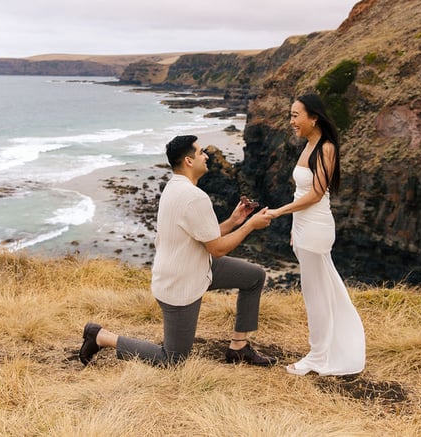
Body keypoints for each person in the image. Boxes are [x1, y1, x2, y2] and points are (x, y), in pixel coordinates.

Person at [78, 135, 277, 367]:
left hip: (199, 267)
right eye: (201, 152)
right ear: (189, 161)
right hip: (180, 282)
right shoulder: (194, 197)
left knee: (254, 276)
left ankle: (239, 347)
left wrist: (234, 221)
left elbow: (205, 235)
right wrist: (251, 225)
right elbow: (217, 248)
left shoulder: (174, 187)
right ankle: (100, 336)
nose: (206, 156)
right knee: (173, 359)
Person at [267, 93, 366, 376]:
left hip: (316, 225)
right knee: (317, 290)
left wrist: (278, 212)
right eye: (290, 115)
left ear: (314, 117)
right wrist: (293, 229)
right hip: (303, 227)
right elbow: (302, 192)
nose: (291, 121)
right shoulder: (309, 145)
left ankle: (320, 355)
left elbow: (316, 194)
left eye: (296, 115)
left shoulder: (326, 148)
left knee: (317, 293)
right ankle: (325, 349)